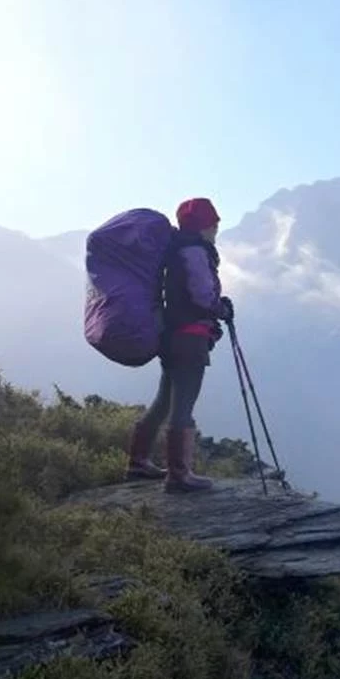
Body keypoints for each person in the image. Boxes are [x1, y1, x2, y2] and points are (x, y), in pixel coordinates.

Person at [127, 197, 233, 492]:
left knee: (163, 400)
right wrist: (220, 309)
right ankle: (179, 475)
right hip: (190, 338)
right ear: (206, 225)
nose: (216, 228)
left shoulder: (175, 250)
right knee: (183, 404)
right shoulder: (195, 251)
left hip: (171, 336)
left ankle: (138, 462)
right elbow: (201, 296)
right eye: (214, 223)